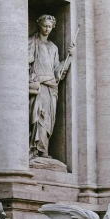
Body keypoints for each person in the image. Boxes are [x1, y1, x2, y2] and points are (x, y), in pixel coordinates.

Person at [29, 14, 73, 160]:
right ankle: (35, 149)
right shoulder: (31, 42)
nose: (47, 29)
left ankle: (44, 149)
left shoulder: (53, 47)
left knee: (48, 119)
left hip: (50, 88)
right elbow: (24, 64)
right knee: (38, 116)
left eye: (49, 26)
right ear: (39, 25)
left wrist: (69, 57)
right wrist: (34, 78)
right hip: (39, 85)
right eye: (44, 26)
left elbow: (57, 71)